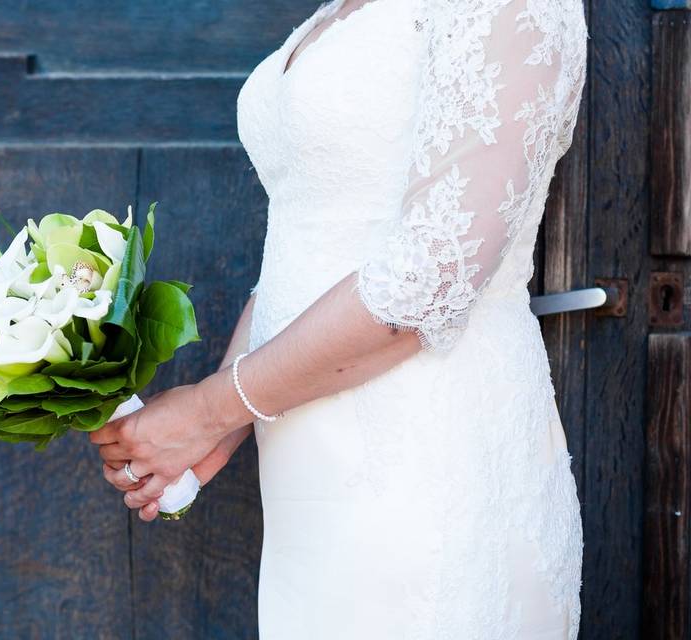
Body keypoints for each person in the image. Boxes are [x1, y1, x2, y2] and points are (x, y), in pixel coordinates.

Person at [89, 0, 588, 636]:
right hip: (305, 462)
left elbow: (431, 274)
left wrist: (212, 408)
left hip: (427, 456)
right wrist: (217, 426)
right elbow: (307, 252)